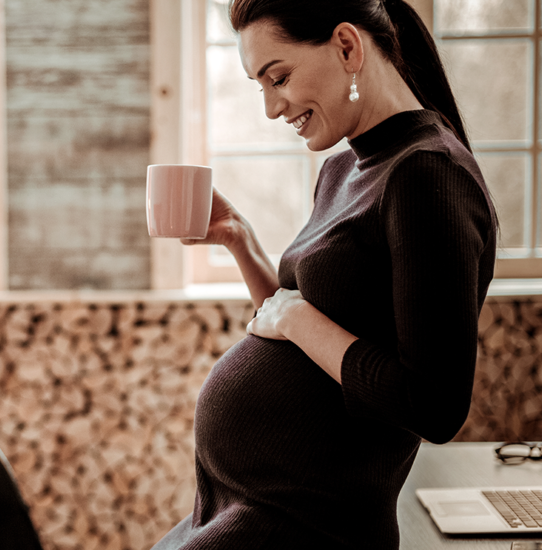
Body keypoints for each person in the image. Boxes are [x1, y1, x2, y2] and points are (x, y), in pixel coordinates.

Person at [151, 0, 498, 548]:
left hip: (306, 529)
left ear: (346, 45)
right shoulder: (345, 168)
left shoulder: (426, 175)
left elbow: (434, 406)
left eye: (278, 77)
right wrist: (241, 241)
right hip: (237, 512)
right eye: (259, 85)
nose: (270, 107)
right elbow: (300, 339)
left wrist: (296, 320)